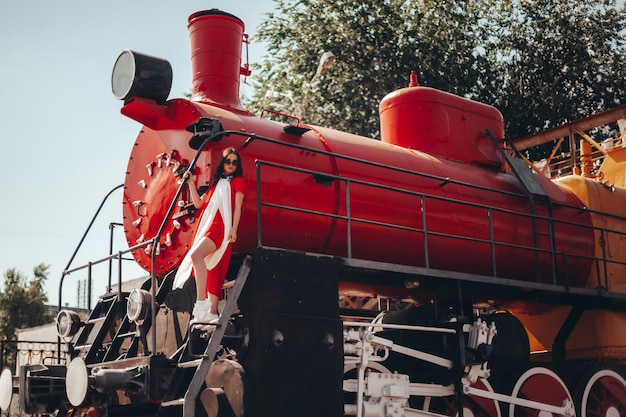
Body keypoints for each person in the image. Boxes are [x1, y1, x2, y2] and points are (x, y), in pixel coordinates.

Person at [173, 147, 245, 323]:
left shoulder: (238, 182)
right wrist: (190, 183)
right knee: (211, 268)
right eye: (228, 161)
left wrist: (234, 229)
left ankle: (201, 304)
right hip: (206, 227)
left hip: (220, 227)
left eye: (235, 162)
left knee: (196, 255)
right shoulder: (215, 184)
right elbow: (198, 204)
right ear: (223, 162)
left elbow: (237, 208)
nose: (231, 165)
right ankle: (211, 312)